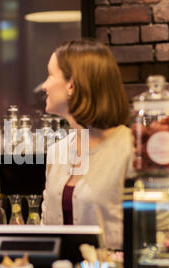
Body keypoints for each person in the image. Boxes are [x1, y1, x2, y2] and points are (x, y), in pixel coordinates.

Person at [40, 39, 135, 250]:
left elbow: (160, 229)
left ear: (71, 84)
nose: (44, 86)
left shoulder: (132, 149)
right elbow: (46, 228)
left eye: (49, 75)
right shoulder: (57, 151)